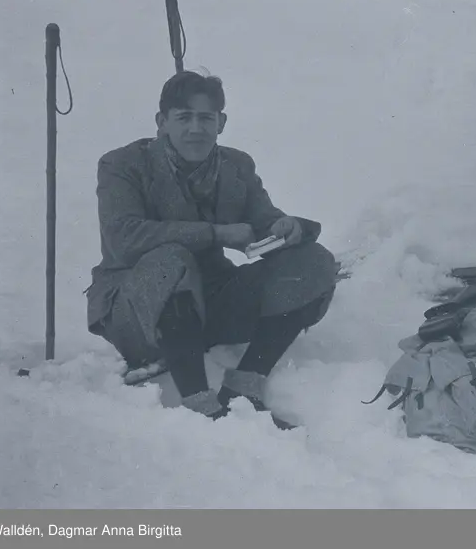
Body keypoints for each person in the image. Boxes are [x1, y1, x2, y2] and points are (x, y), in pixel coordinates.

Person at [85, 71, 339, 429]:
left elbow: (263, 221)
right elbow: (123, 239)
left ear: (221, 122)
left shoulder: (236, 166)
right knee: (170, 260)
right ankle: (200, 405)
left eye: (206, 118)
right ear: (161, 122)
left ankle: (244, 388)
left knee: (314, 261)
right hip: (139, 314)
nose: (196, 129)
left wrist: (287, 228)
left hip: (208, 306)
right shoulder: (123, 165)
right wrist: (215, 233)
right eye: (184, 118)